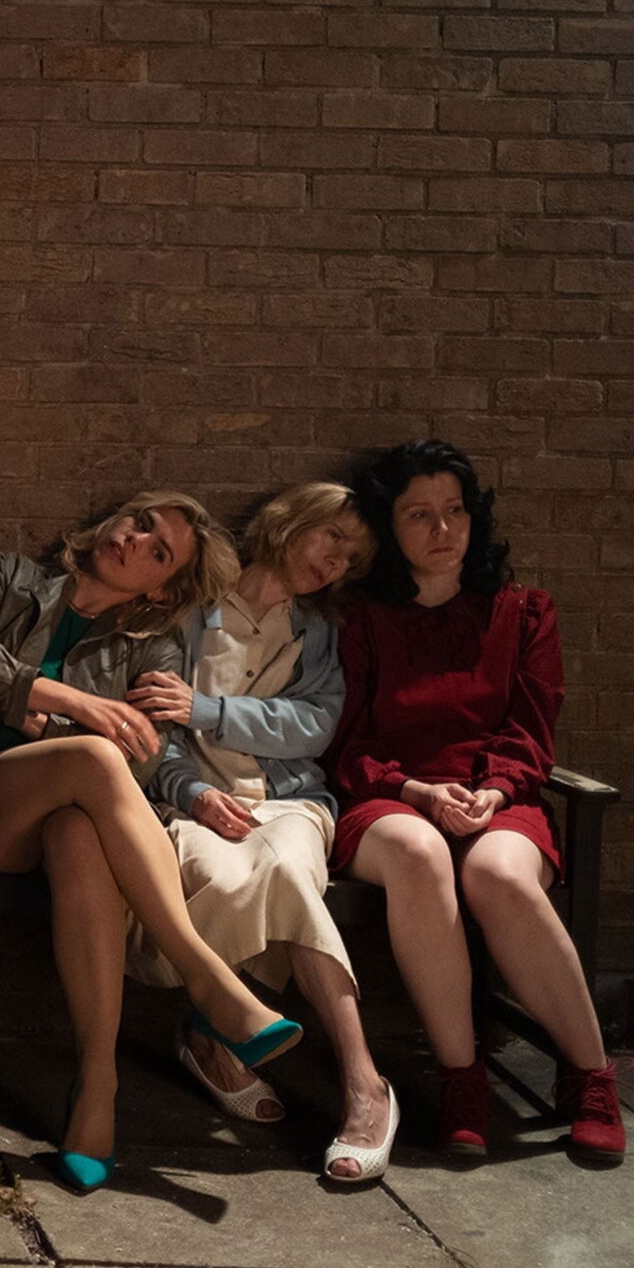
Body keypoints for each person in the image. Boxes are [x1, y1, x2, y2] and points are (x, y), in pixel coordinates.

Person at [0, 491, 301, 1193]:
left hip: (62, 822)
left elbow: (142, 762)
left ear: (161, 587)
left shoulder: (151, 649)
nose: (134, 540)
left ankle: (95, 1090)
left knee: (79, 829)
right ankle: (205, 975)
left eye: (158, 551)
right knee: (95, 755)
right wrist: (74, 704)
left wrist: (46, 721)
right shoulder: (9, 577)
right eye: (140, 522)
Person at [331, 440, 624, 1164]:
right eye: (419, 514)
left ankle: (591, 1077)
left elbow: (531, 733)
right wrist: (416, 791)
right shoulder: (360, 619)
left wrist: (491, 792)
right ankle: (462, 1079)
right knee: (419, 851)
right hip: (390, 794)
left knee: (496, 872)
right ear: (389, 526)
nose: (443, 529)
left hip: (499, 791)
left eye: (455, 510)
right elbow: (345, 742)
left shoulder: (524, 613)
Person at [128, 483, 395, 1182]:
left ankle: (363, 1082)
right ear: (290, 521)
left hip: (290, 801)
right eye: (331, 539)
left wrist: (208, 709)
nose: (336, 563)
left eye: (351, 557)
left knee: (288, 869)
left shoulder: (317, 631)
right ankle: (211, 1038)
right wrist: (192, 792)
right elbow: (153, 722)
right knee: (221, 880)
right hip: (194, 803)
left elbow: (315, 726)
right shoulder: (191, 608)